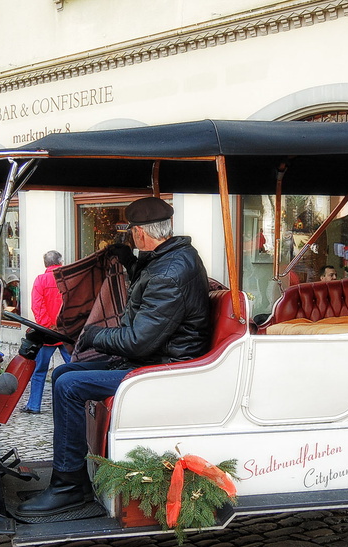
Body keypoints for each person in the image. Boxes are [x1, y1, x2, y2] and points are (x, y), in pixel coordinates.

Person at [18, 197, 210, 516]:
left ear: (138, 233)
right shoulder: (170, 258)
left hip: (164, 369)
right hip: (155, 358)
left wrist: (93, 333)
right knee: (65, 374)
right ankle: (75, 471)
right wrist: (130, 262)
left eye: (130, 233)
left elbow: (137, 341)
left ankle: (69, 487)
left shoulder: (171, 270)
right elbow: (150, 302)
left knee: (68, 386)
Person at [20, 251, 71, 415]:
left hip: (47, 333)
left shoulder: (40, 280)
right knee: (76, 367)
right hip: (66, 331)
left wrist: (48, 325)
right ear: (61, 262)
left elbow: (37, 306)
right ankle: (83, 403)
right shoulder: (67, 278)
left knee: (40, 371)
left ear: (45, 264)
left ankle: (34, 405)